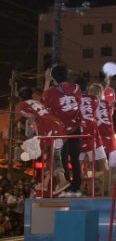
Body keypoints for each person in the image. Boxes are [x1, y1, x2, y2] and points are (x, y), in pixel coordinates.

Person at [16, 86, 68, 194]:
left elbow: (32, 118)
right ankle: (45, 183)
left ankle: (62, 180)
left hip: (47, 127)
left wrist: (37, 135)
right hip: (56, 124)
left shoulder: (22, 106)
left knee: (51, 155)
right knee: (52, 156)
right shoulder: (37, 102)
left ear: (20, 98)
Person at [42, 65, 83, 196]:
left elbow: (43, 104)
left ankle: (65, 186)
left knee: (63, 158)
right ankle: (77, 186)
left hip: (61, 130)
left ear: (54, 77)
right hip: (76, 128)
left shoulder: (51, 92)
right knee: (75, 158)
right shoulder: (77, 88)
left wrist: (47, 82)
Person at [75, 77, 109, 196]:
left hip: (78, 133)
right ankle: (106, 187)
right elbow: (100, 95)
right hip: (93, 133)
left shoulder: (74, 99)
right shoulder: (95, 99)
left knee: (77, 163)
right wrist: (106, 84)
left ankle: (77, 189)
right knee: (102, 162)